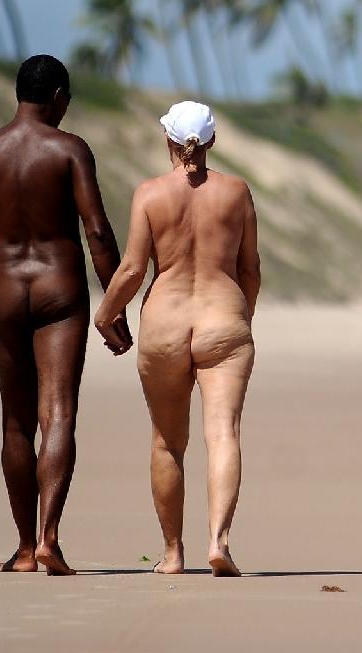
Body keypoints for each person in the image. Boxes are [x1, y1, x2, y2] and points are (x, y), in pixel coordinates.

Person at [0, 54, 126, 576]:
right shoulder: (70, 150)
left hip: (5, 293)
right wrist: (116, 302)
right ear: (57, 97)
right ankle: (52, 537)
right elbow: (97, 231)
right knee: (57, 413)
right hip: (60, 291)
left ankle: (25, 548)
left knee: (15, 422)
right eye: (68, 100)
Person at [94, 100, 261, 577]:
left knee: (168, 442)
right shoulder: (237, 192)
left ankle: (172, 554)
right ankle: (219, 543)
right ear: (211, 142)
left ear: (168, 139)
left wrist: (105, 316)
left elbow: (132, 270)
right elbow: (250, 270)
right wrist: (239, 317)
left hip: (164, 325)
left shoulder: (149, 193)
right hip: (222, 320)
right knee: (223, 433)